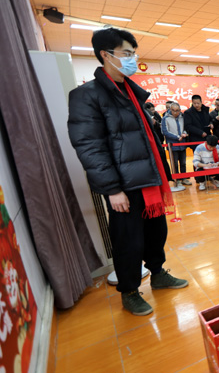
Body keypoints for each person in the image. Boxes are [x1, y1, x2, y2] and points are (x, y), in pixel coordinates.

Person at [68, 28, 188, 317]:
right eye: (127, 53)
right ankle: (130, 291)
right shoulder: (87, 95)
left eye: (134, 53)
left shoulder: (131, 91)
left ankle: (157, 273)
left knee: (156, 232)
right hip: (124, 184)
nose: (133, 59)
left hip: (148, 178)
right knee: (128, 240)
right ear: (105, 55)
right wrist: (112, 189)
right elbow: (90, 147)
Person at [161, 102, 188, 191]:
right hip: (172, 145)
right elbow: (165, 132)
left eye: (177, 110)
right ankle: (177, 179)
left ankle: (184, 178)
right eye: (173, 110)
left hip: (182, 144)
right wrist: (177, 137)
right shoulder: (165, 118)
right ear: (170, 110)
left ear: (180, 110)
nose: (175, 112)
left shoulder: (183, 117)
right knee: (174, 163)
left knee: (183, 162)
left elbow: (186, 128)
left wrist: (184, 133)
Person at [183, 94, 212, 172]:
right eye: (194, 103)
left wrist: (211, 124)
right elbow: (188, 126)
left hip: (207, 138)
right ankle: (199, 176)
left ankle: (208, 175)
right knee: (198, 159)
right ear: (192, 103)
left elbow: (210, 120)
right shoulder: (188, 113)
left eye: (198, 103)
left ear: (201, 102)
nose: (196, 105)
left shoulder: (205, 110)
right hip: (196, 139)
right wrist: (200, 132)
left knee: (208, 158)